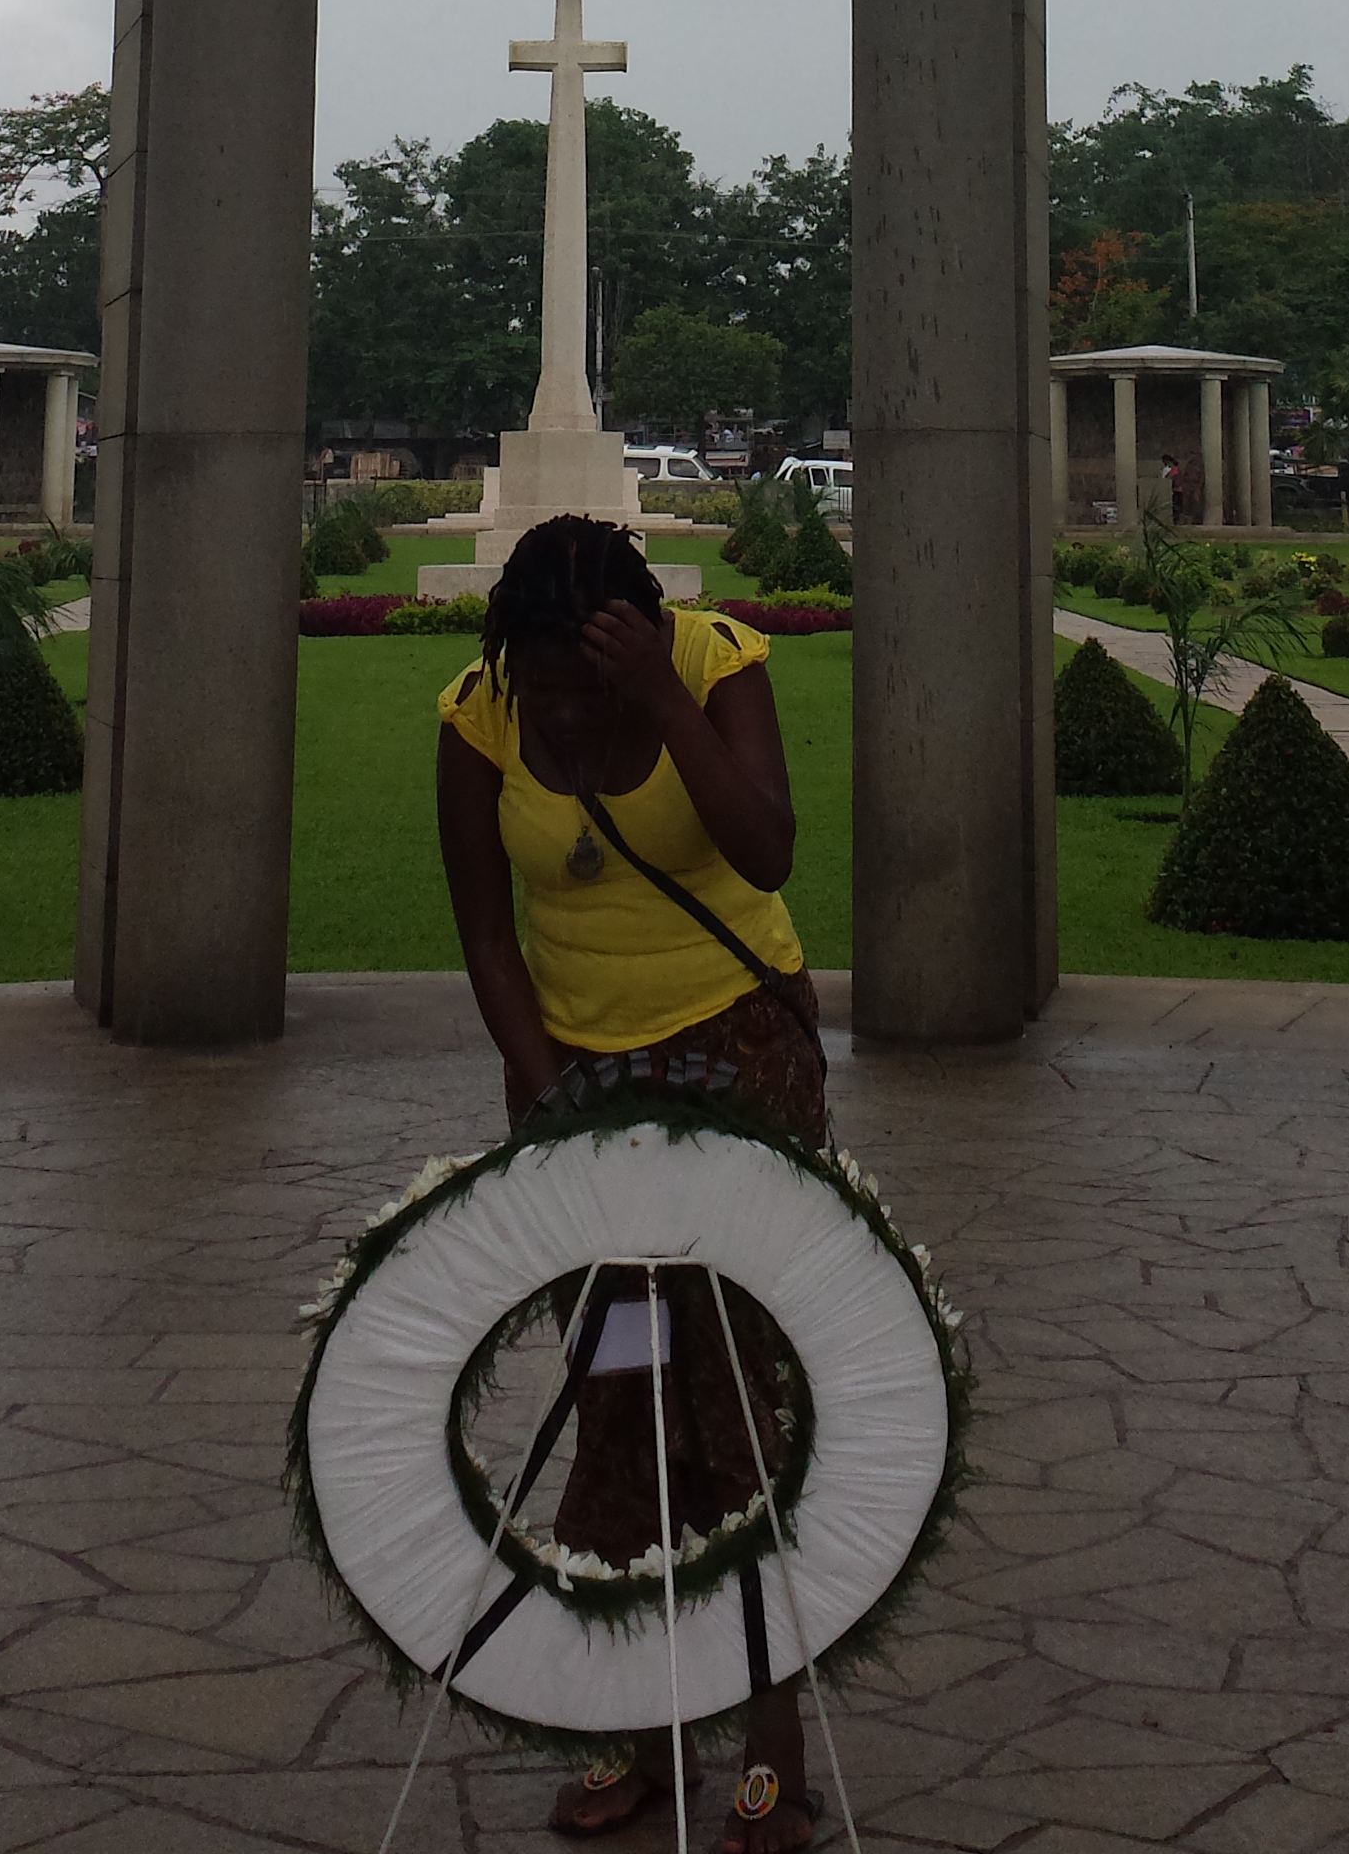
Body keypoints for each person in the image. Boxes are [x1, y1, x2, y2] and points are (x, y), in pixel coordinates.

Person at [436, 514, 824, 1852]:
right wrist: (552, 1101)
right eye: (539, 681)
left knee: (740, 1403)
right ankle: (641, 1722)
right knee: (616, 1401)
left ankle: (772, 1741)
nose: (556, 709)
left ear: (636, 639)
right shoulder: (479, 714)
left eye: (580, 681)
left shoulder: (713, 668)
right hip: (574, 1086)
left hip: (737, 1062)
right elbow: (486, 933)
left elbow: (768, 848)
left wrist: (660, 697)